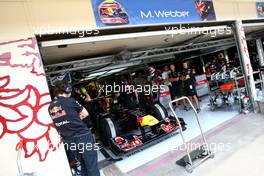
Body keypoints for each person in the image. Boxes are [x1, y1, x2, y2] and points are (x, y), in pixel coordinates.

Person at [48, 81, 100, 176]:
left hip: (69, 140)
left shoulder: (50, 107)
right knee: (91, 164)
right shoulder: (70, 101)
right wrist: (76, 119)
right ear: (66, 90)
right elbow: (85, 113)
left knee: (82, 163)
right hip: (82, 136)